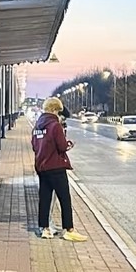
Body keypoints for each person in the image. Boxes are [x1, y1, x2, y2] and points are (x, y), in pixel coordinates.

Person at [31, 95, 87, 241]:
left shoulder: (37, 126)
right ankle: (69, 229)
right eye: (58, 111)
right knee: (64, 199)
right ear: (55, 110)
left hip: (42, 167)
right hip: (56, 167)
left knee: (45, 198)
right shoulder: (55, 126)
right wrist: (69, 144)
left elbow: (34, 146)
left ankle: (45, 229)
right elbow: (61, 146)